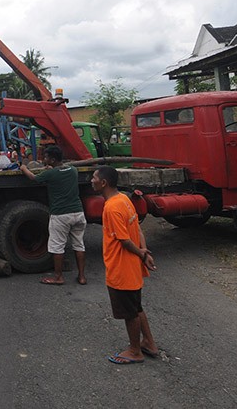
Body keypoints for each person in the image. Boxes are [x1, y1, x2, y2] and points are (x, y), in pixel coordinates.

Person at [90, 165, 160, 364]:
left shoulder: (111, 207)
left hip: (121, 268)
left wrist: (140, 252)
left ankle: (135, 351)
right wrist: (144, 253)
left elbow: (124, 241)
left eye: (94, 178)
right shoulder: (124, 199)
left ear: (103, 183)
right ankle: (148, 342)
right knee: (136, 306)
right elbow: (137, 227)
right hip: (132, 266)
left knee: (130, 313)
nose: (91, 181)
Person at [19, 145, 87, 285]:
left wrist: (23, 168)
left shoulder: (50, 174)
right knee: (79, 245)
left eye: (46, 157)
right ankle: (81, 277)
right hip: (78, 213)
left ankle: (58, 277)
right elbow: (60, 173)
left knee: (57, 247)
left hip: (61, 215)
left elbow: (33, 178)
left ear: (53, 159)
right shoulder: (73, 170)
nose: (44, 159)